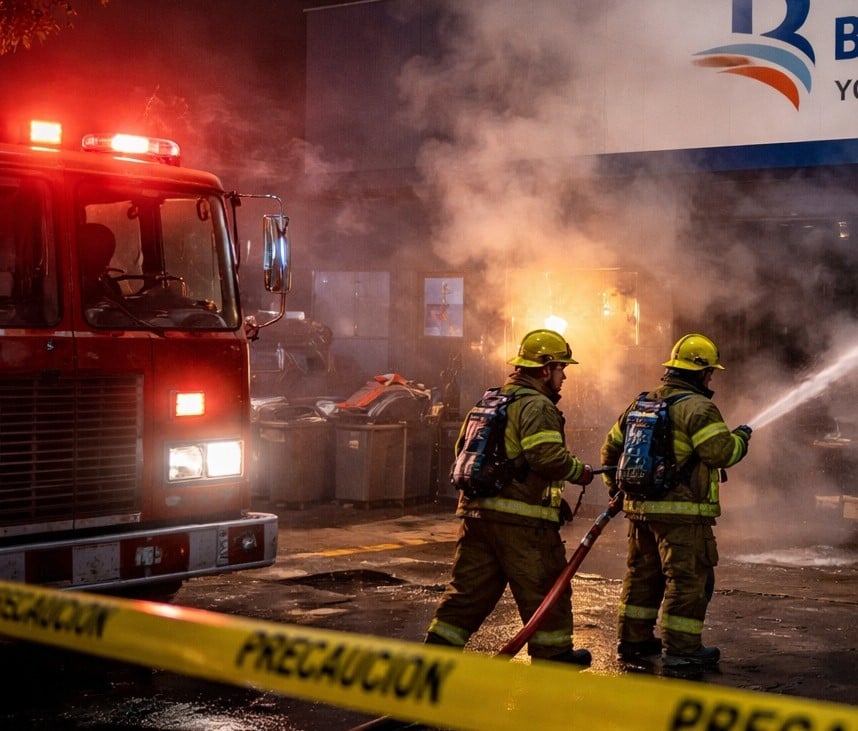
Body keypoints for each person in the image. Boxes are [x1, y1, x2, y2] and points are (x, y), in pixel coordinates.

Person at [425, 329, 595, 666]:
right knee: (547, 589)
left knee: (467, 594)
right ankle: (554, 658)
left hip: (476, 516)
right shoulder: (538, 406)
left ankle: (434, 659)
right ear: (545, 369)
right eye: (562, 369)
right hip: (522, 524)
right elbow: (547, 457)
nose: (564, 378)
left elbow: (463, 450)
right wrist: (581, 472)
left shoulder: (490, 400)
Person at [600, 333, 752, 668]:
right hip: (682, 515)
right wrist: (741, 438)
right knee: (688, 580)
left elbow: (611, 450)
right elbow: (720, 453)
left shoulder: (642, 403)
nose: (711, 378)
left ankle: (633, 641)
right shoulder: (699, 408)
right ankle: (682, 651)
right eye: (709, 373)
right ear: (699, 374)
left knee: (642, 576)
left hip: (639, 510)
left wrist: (617, 488)